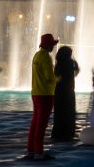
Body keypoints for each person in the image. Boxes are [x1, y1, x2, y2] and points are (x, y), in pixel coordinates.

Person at [26, 33, 58, 161]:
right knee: (42, 125)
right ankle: (39, 153)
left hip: (36, 92)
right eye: (52, 45)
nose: (53, 48)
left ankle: (31, 150)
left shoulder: (37, 55)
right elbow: (49, 77)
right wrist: (58, 79)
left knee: (35, 123)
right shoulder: (46, 56)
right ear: (49, 45)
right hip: (45, 94)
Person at [51, 46, 80, 141]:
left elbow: (56, 77)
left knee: (59, 112)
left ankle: (58, 133)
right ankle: (68, 132)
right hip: (69, 91)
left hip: (59, 91)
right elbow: (77, 71)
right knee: (69, 112)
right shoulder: (71, 63)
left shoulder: (58, 64)